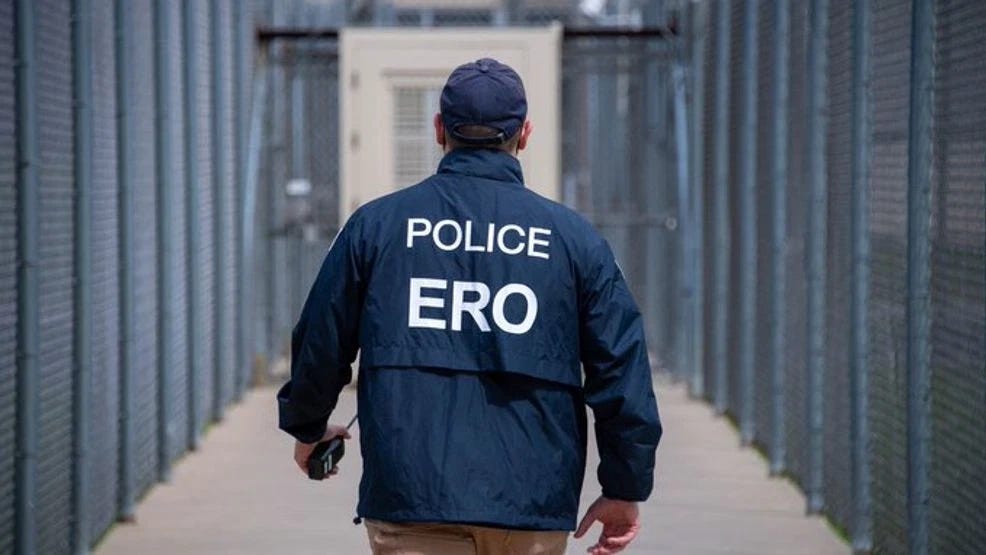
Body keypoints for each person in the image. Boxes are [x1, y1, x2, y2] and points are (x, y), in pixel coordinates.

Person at [278, 58, 662, 555]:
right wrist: (625, 486)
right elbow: (621, 369)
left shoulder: (376, 227)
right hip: (529, 502)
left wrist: (308, 426)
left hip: (413, 497)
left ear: (440, 129)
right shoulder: (574, 241)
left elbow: (322, 338)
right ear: (524, 135)